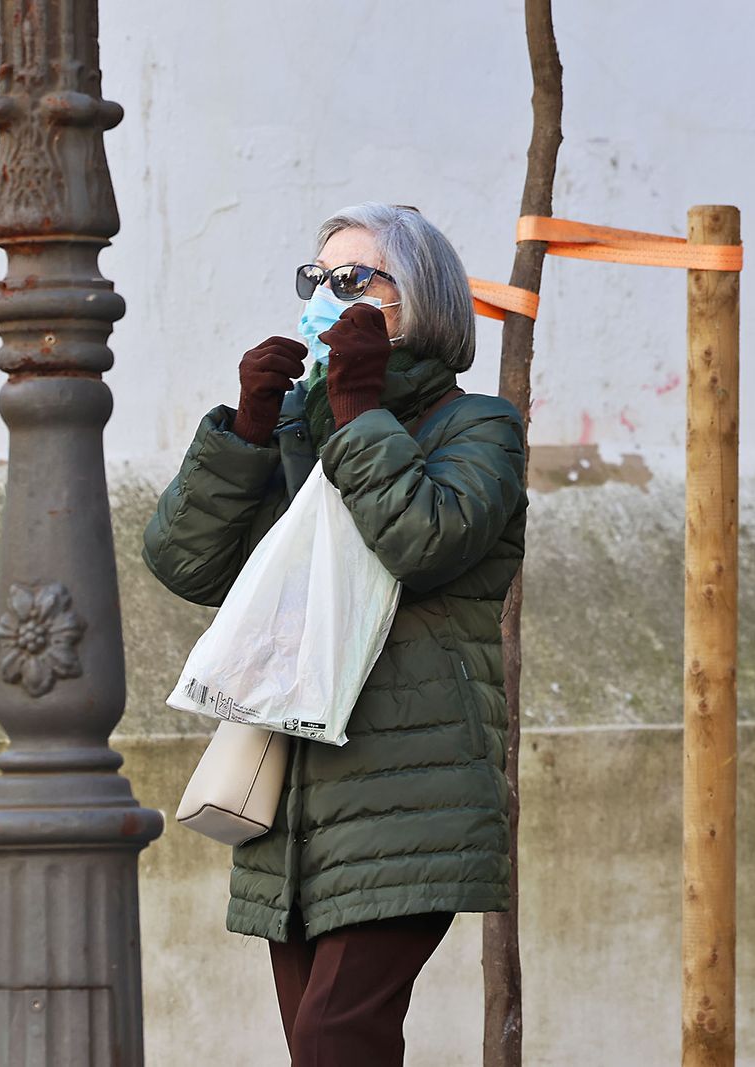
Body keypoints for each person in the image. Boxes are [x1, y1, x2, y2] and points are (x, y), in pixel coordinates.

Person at [143, 202, 526, 1066]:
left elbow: (424, 540)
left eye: (353, 279)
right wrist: (246, 431)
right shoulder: (299, 430)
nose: (326, 296)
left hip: (409, 794)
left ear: (417, 300)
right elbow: (185, 564)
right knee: (326, 1046)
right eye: (315, 279)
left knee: (332, 1039)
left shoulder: (478, 428)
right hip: (291, 803)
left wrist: (357, 414)